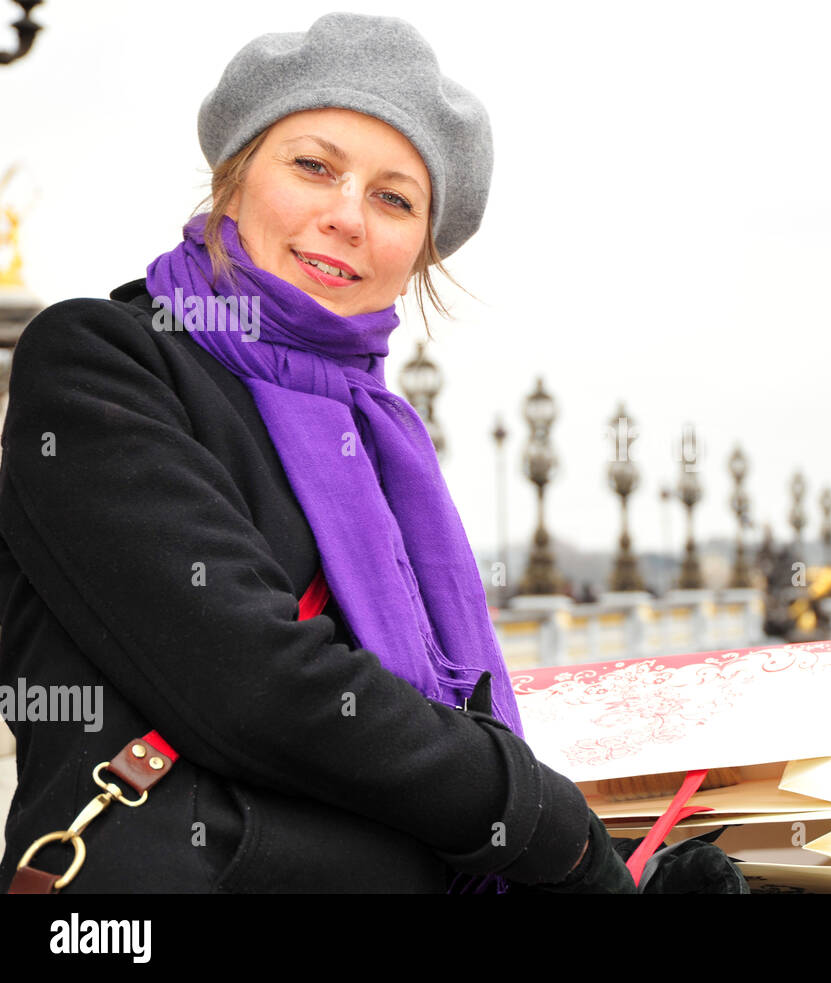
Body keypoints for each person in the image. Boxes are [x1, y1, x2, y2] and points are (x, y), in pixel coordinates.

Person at [0, 13, 639, 894]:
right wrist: (542, 821)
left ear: (421, 250)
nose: (345, 217)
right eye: (313, 166)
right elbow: (253, 682)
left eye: (393, 197)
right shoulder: (103, 361)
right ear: (233, 179)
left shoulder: (378, 438)